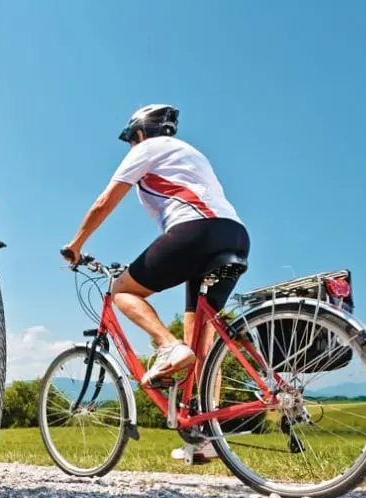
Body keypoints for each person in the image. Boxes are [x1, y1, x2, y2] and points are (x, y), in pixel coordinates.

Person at [61, 104, 250, 461]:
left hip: (196, 231)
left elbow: (104, 202)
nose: (132, 144)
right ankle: (204, 438)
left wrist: (76, 245)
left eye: (131, 138)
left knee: (123, 289)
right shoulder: (193, 155)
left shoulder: (147, 149)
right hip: (234, 235)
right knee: (203, 343)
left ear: (140, 133)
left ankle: (166, 346)